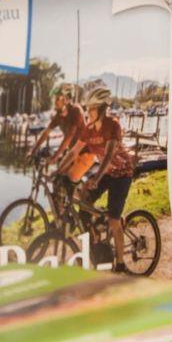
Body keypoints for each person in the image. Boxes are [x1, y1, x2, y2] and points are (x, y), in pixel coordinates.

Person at [75, 87, 136, 267]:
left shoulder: (113, 125)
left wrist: (95, 179)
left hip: (122, 174)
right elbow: (74, 152)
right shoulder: (89, 129)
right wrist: (60, 171)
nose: (88, 112)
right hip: (107, 172)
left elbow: (109, 155)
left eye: (92, 108)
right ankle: (97, 238)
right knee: (83, 201)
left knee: (114, 220)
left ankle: (121, 264)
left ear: (102, 109)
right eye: (87, 108)